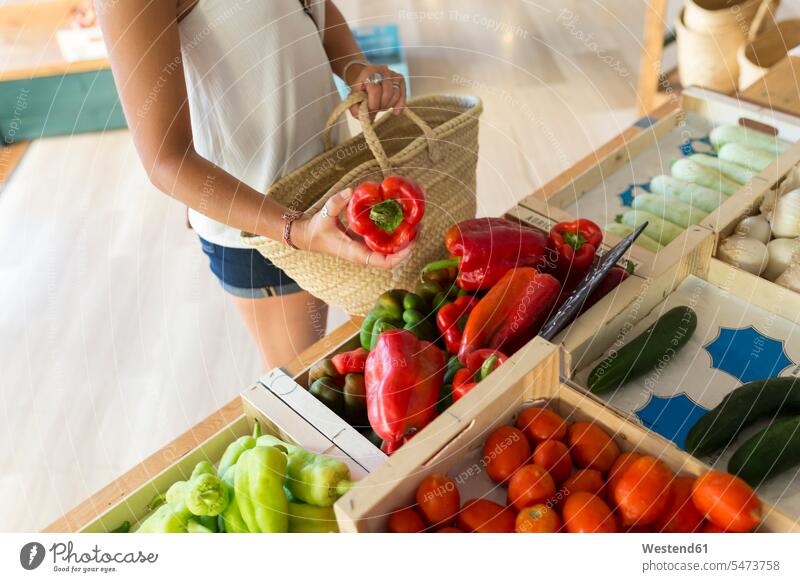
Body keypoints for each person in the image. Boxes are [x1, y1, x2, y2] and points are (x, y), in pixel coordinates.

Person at [97, 0, 411, 369]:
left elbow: (315, 9)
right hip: (264, 230)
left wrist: (355, 67)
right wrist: (297, 229)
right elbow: (165, 161)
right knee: (299, 385)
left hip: (327, 193)